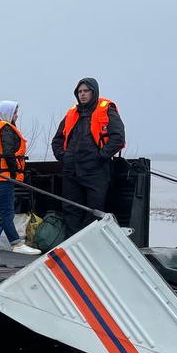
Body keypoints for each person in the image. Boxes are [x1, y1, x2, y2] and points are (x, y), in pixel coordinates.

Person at [51, 77, 126, 236]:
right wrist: (64, 157)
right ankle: (72, 246)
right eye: (80, 92)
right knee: (70, 209)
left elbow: (118, 138)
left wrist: (100, 157)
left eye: (86, 91)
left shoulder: (106, 110)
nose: (82, 94)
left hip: (96, 170)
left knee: (95, 210)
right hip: (71, 170)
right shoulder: (72, 113)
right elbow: (57, 140)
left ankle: (90, 243)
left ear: (94, 92)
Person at [0, 101, 38, 255]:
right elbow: (8, 153)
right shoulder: (6, 128)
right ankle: (16, 243)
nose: (17, 116)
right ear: (7, 113)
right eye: (15, 113)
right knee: (7, 213)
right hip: (3, 177)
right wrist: (14, 172)